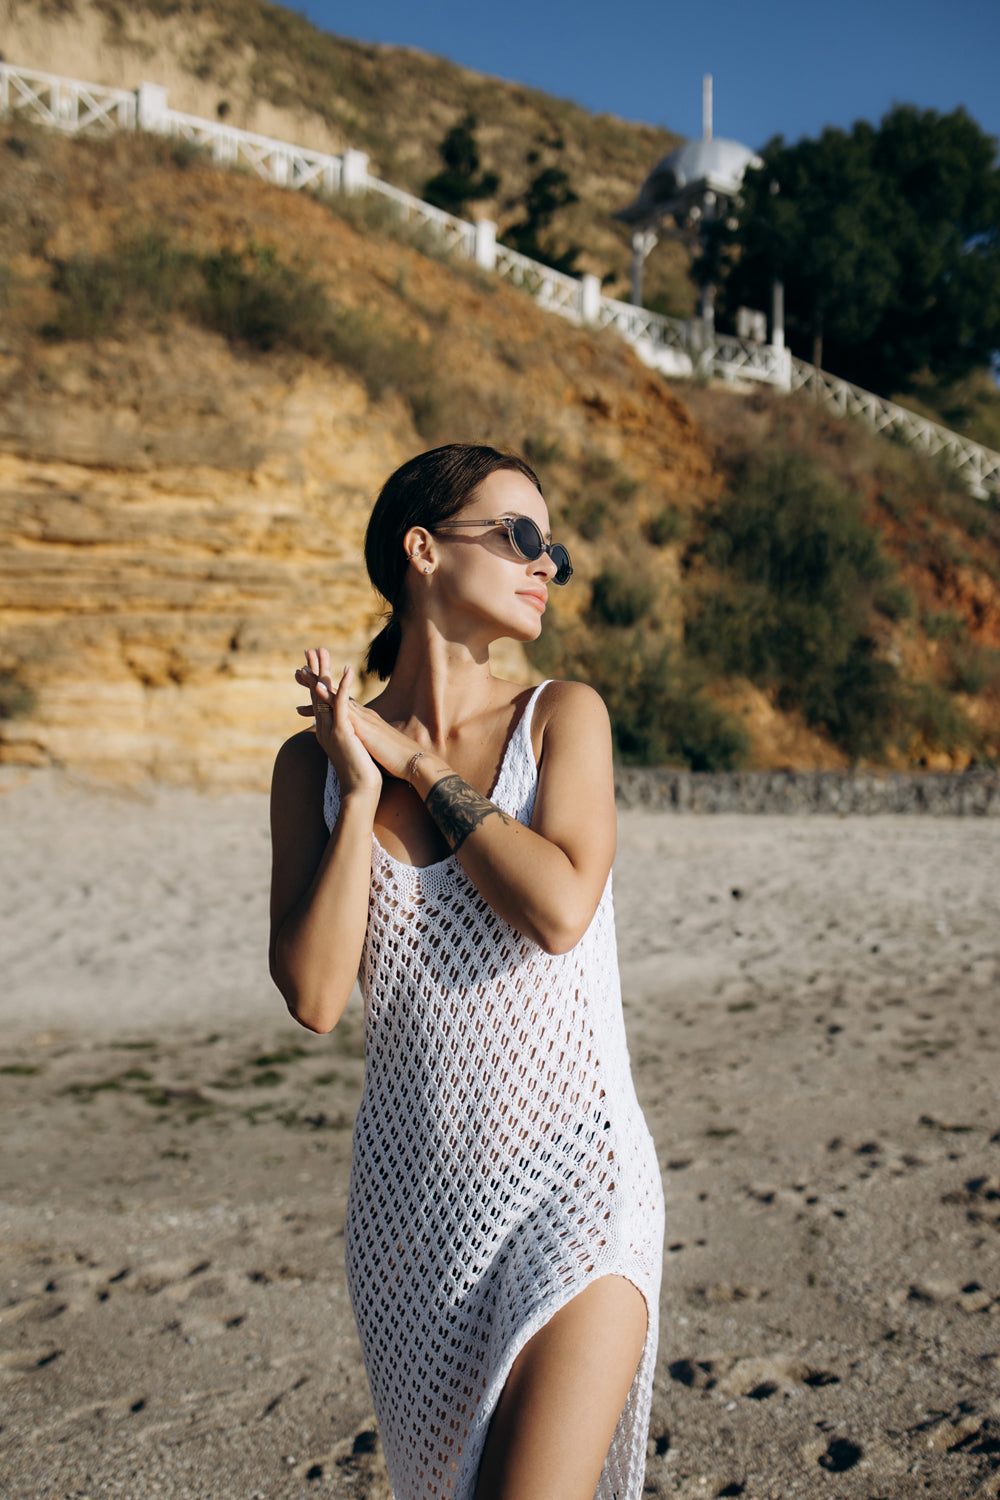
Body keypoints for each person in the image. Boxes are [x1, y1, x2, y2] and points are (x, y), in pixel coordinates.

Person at [269, 444, 664, 1500]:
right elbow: (313, 998)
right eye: (522, 538)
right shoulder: (314, 765)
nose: (547, 566)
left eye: (555, 551)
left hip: (579, 1185)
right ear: (422, 549)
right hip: (412, 1220)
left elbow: (558, 908)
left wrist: (421, 767)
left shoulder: (561, 717)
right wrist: (360, 791)